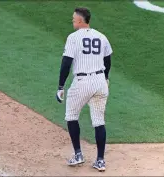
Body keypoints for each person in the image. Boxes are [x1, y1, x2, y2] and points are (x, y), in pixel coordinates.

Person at [56, 7, 113, 172]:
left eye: (74, 19)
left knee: (71, 116)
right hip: (100, 81)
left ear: (81, 21)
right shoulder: (101, 36)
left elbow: (66, 63)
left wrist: (60, 86)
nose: (72, 21)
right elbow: (107, 59)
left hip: (82, 82)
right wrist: (106, 77)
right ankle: (100, 160)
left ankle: (78, 154)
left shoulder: (73, 38)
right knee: (99, 121)